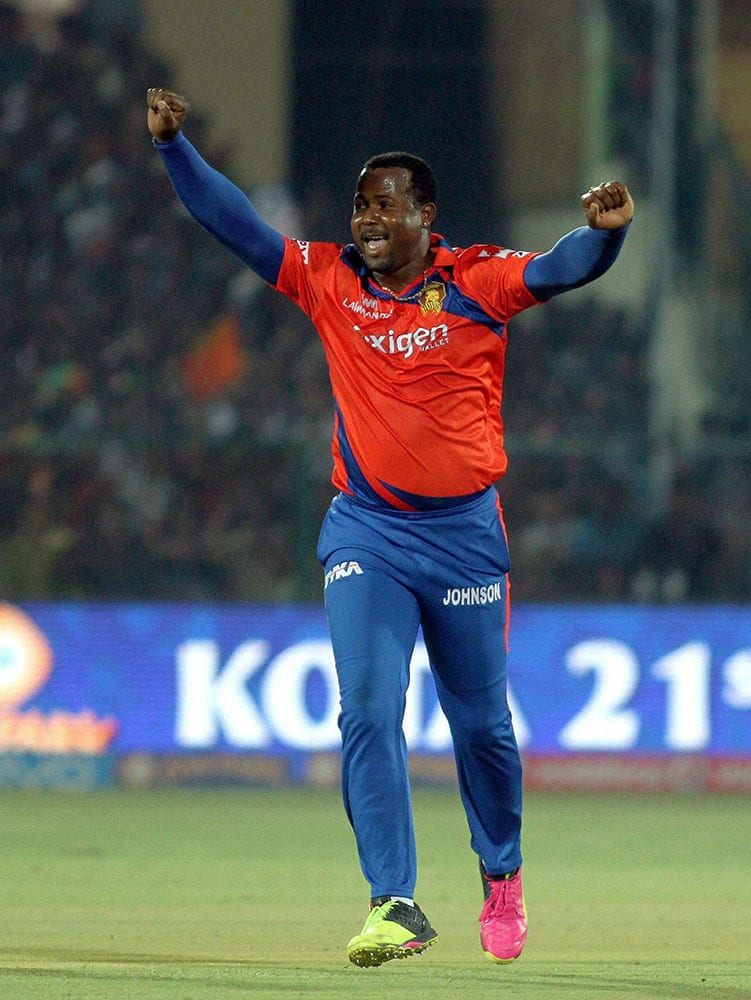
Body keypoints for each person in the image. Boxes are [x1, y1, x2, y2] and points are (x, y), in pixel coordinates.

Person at [146, 87, 634, 968]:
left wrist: (604, 236)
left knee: (480, 727)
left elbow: (558, 269)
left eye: (382, 203)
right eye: (359, 204)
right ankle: (394, 902)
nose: (365, 218)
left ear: (424, 215)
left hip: (465, 539)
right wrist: (176, 148)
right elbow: (238, 227)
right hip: (367, 533)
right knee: (368, 712)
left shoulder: (475, 279)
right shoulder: (328, 278)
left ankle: (502, 875)